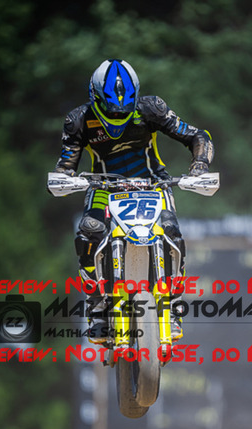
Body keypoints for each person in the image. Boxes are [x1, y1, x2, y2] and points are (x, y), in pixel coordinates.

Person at [54, 58, 214, 342]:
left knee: (171, 230)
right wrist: (64, 178)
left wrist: (199, 166)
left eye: (124, 109)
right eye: (111, 109)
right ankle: (97, 307)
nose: (118, 114)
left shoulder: (151, 108)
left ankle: (173, 306)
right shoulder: (78, 120)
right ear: (95, 97)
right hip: (104, 187)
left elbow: (196, 135)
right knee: (89, 232)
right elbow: (66, 164)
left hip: (153, 184)